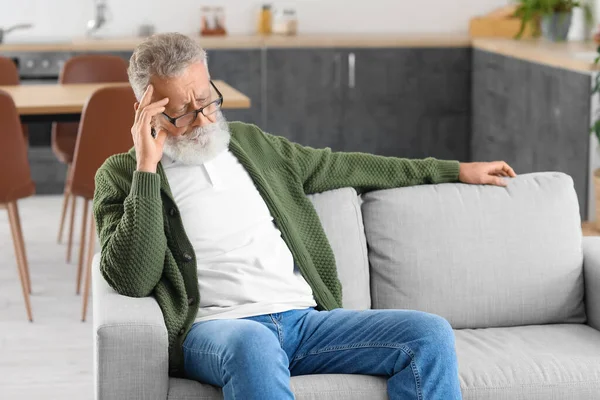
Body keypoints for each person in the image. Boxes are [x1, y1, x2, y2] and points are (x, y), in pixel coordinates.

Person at [93, 32, 516, 400]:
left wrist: (453, 170)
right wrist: (147, 169)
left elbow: (349, 166)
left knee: (428, 334)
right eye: (182, 113)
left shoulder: (252, 144)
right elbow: (132, 276)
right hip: (220, 330)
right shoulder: (122, 175)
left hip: (306, 322)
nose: (203, 119)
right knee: (253, 345)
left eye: (206, 100)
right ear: (146, 109)